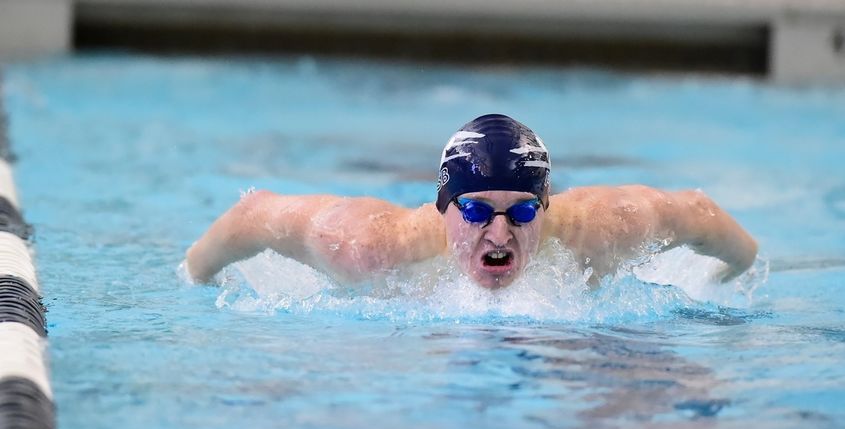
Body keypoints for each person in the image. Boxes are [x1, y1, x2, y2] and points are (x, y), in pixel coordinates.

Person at [185, 114, 757, 289]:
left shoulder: (606, 230)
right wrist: (195, 283)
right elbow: (252, 215)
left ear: (548, 205)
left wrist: (719, 285)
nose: (500, 235)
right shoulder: (367, 245)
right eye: (477, 211)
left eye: (524, 211)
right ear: (443, 205)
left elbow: (704, 218)